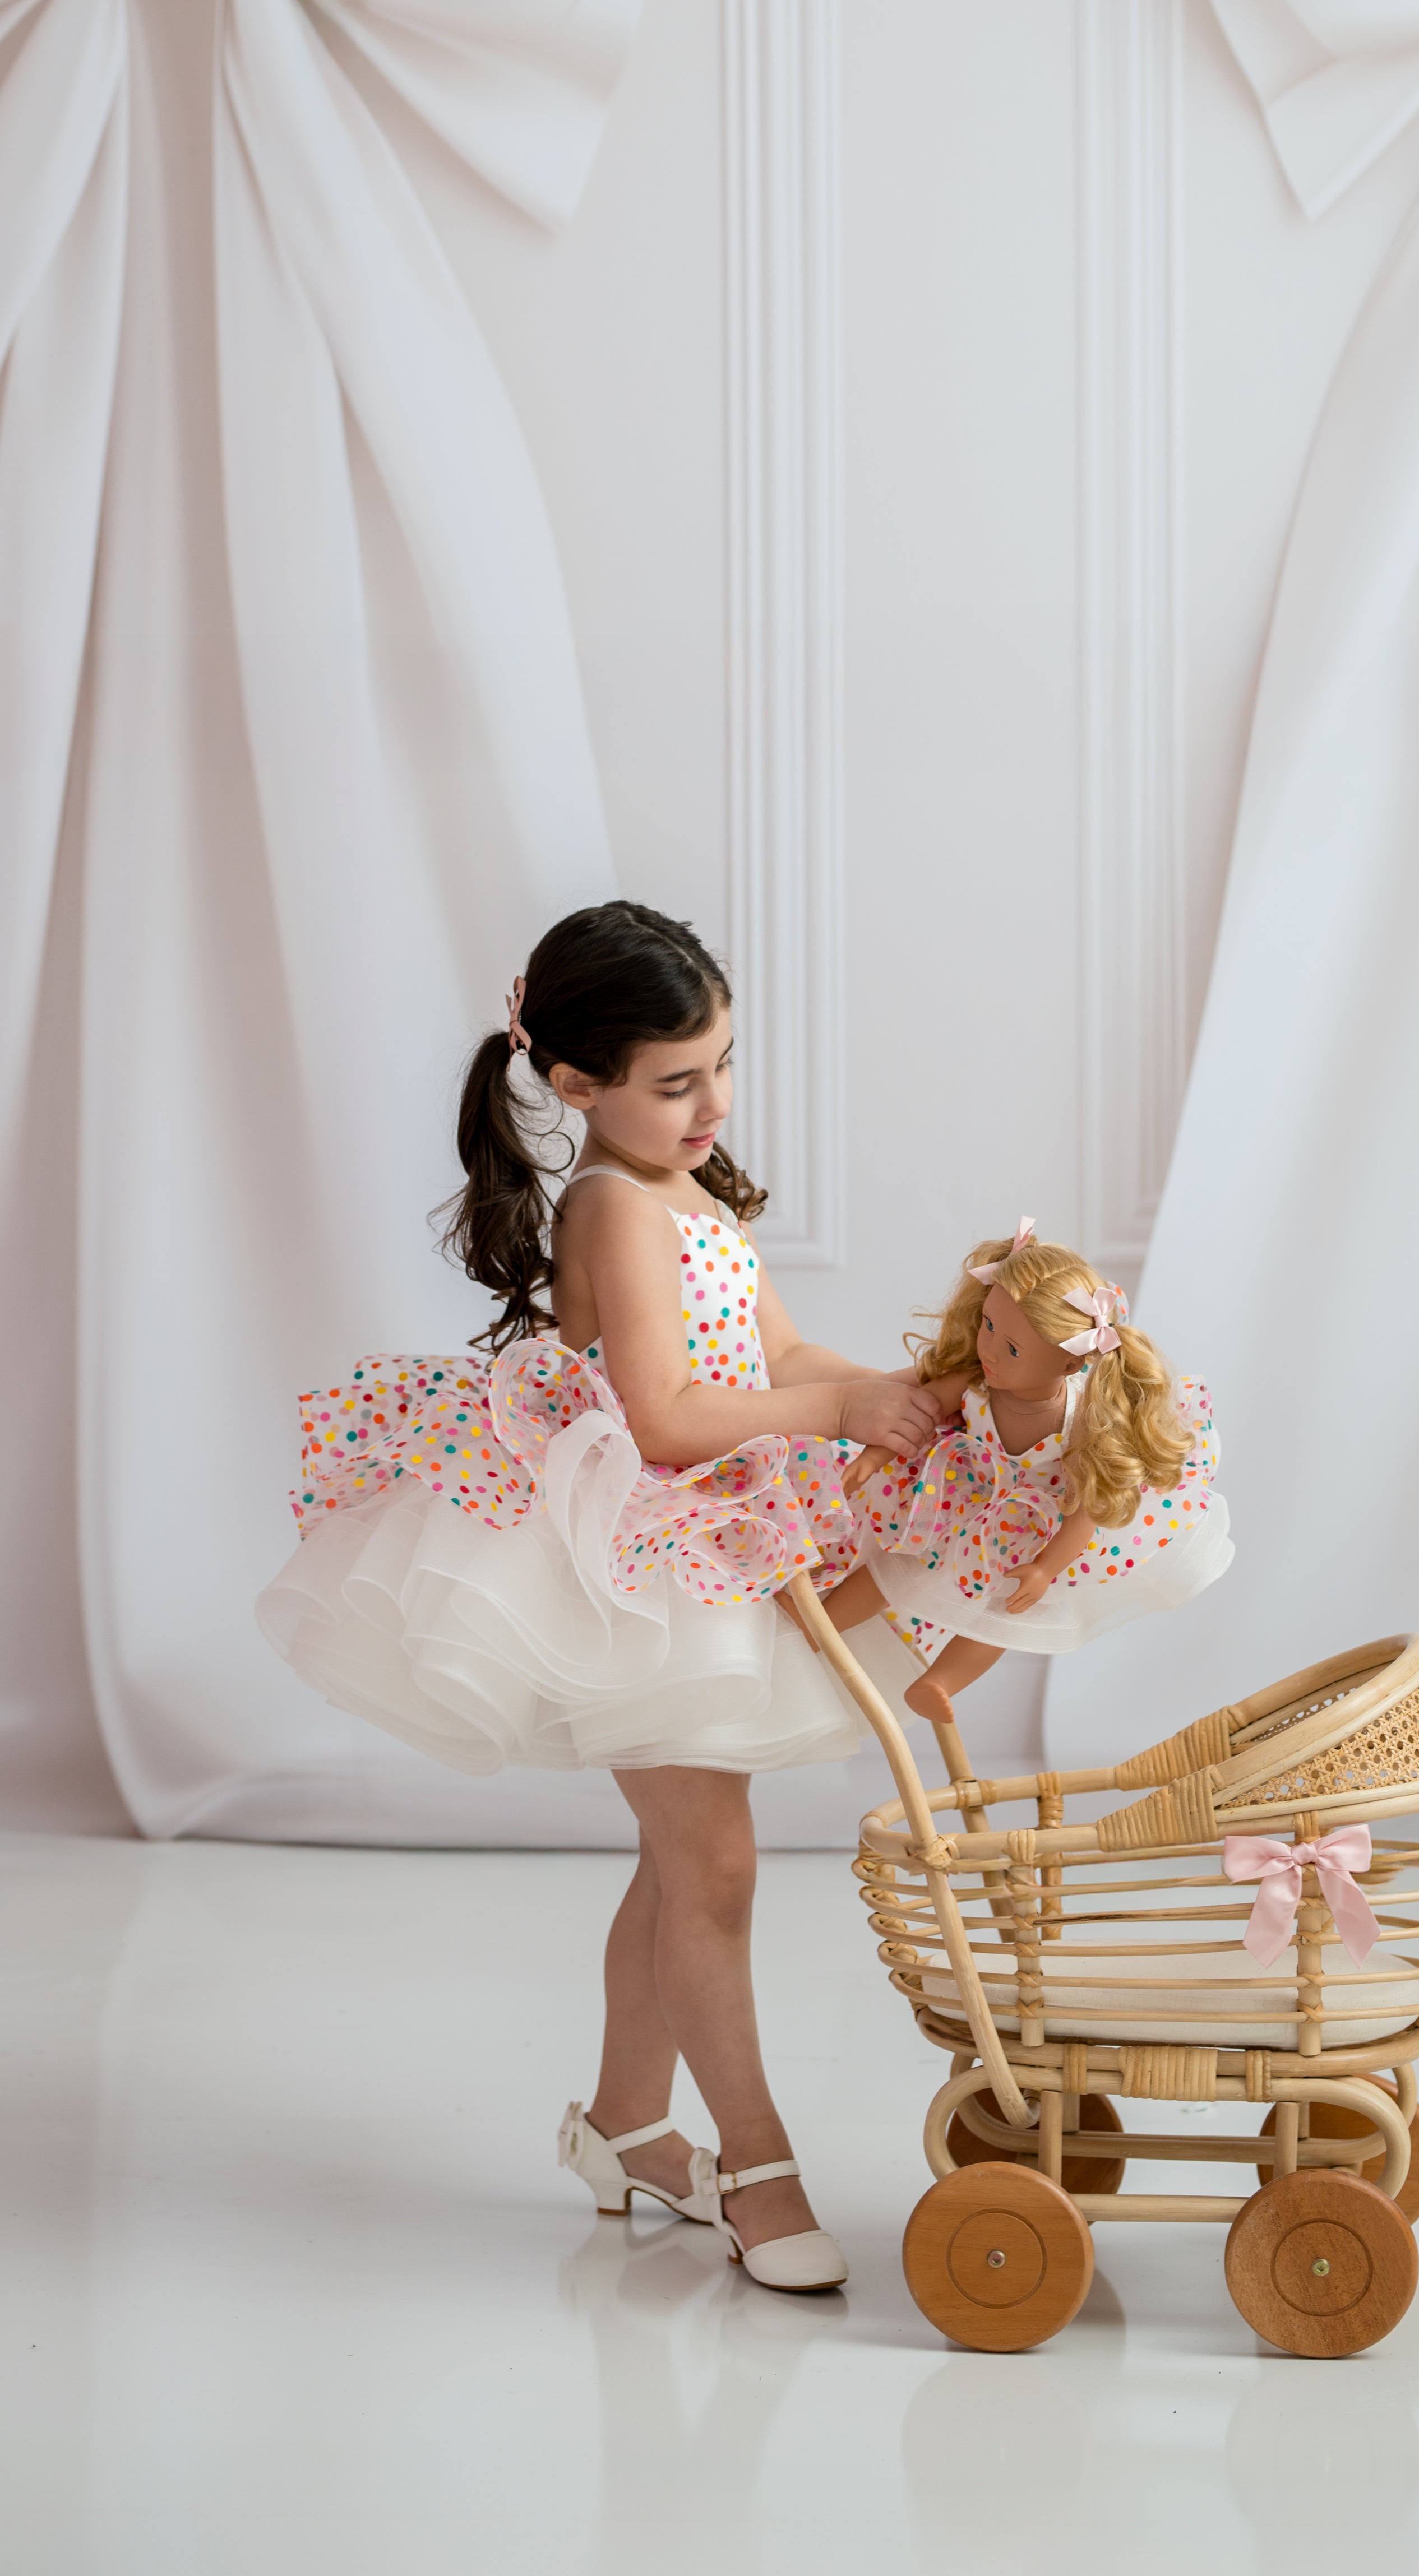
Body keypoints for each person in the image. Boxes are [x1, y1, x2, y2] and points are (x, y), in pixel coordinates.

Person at [258, 900, 944, 2290]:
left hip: (705, 1534)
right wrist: (832, 1410)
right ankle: (757, 2160)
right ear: (575, 1085)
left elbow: (782, 1343)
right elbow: (668, 1413)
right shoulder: (613, 1202)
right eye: (676, 1081)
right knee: (718, 1862)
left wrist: (885, 1393)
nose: (713, 1104)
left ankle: (629, 2126)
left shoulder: (691, 1191)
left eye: (725, 1065)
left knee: (684, 1854)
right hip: (629, 1547)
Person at [822, 1218, 1231, 1724]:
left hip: (1031, 1528)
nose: (989, 1349)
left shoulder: (1084, 1423)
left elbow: (1090, 1507)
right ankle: (823, 1624)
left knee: (1009, 1610)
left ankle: (939, 1681)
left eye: (1012, 1349)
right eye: (989, 1325)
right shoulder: (976, 1381)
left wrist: (1046, 1568)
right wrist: (873, 1456)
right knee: (899, 1560)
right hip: (958, 1493)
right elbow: (922, 1409)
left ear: (1067, 1366)